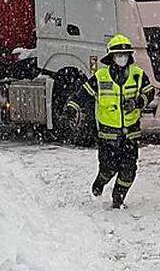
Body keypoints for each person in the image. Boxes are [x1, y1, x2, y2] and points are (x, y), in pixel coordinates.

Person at [66, 34, 155, 208]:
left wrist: (137, 102)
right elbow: (83, 94)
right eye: (118, 55)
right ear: (112, 57)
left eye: (125, 55)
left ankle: (118, 199)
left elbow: (149, 92)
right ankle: (100, 182)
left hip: (130, 133)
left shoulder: (137, 75)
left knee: (129, 170)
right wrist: (72, 106)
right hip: (108, 135)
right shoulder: (101, 77)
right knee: (108, 168)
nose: (122, 58)